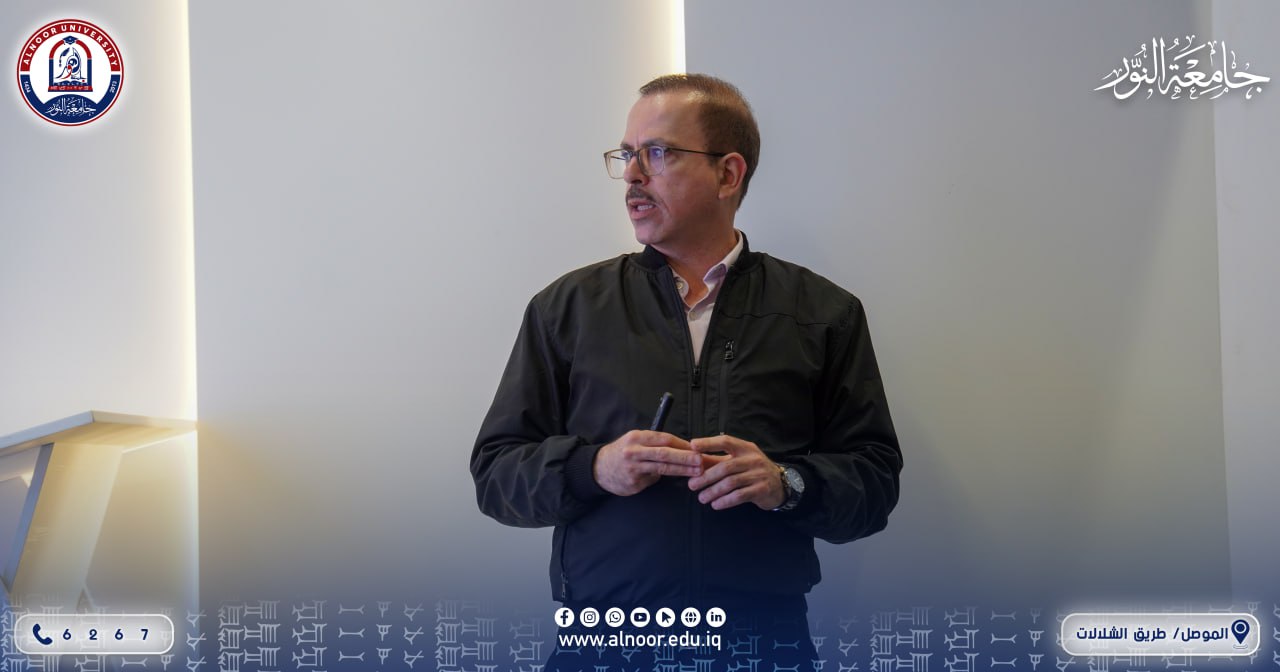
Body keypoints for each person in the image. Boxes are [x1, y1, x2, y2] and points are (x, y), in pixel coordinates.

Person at [471, 73, 902, 669]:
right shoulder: (567, 308)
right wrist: (593, 468)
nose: (632, 175)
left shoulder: (823, 313)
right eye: (626, 154)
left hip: (761, 643)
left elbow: (874, 485)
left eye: (657, 153)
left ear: (728, 174)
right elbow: (495, 474)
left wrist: (786, 483)